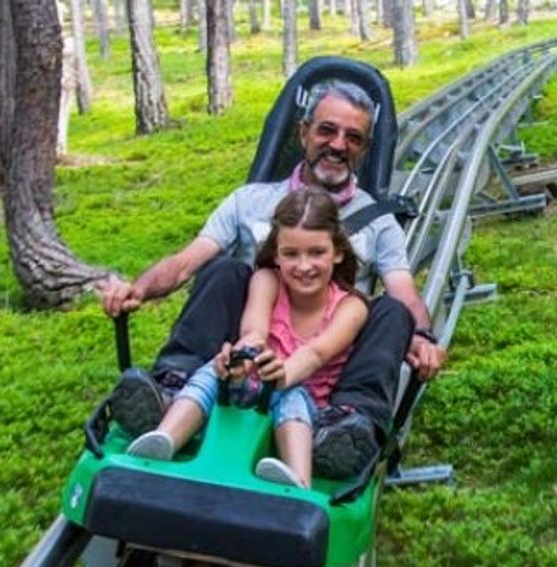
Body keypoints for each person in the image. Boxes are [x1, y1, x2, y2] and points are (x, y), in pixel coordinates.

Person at [101, 78, 445, 479]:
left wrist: (422, 337)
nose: (338, 145)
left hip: (330, 349)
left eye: (352, 137)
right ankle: (173, 387)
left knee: (391, 313)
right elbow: (185, 262)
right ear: (303, 133)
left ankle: (348, 424)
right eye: (327, 130)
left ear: (364, 149)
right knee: (227, 270)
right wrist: (137, 289)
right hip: (247, 347)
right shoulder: (249, 202)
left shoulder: (379, 222)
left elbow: (404, 293)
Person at [125, 188, 368, 488]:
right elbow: (254, 331)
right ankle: (164, 439)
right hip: (253, 386)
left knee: (291, 394)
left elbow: (316, 353)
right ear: (276, 254)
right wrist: (238, 359)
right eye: (291, 254)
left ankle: (299, 478)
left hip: (304, 405)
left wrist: (281, 376)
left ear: (338, 252)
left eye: (317, 252)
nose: (304, 266)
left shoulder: (351, 307)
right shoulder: (267, 281)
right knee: (209, 373)